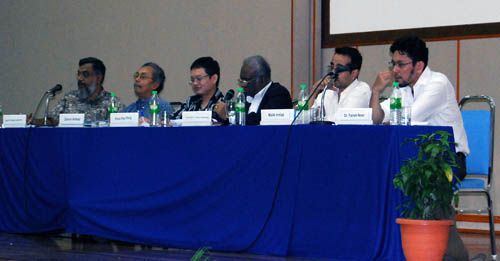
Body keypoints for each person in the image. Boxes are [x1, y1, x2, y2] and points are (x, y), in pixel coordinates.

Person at [369, 36, 469, 261]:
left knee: (424, 183)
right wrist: (375, 92)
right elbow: (375, 118)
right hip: (415, 160)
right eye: (393, 64)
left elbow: (410, 118)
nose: (395, 70)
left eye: (401, 65)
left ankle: (438, 254)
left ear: (419, 66)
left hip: (449, 161)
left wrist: (388, 118)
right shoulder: (402, 90)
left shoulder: (438, 83)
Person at [214, 55, 292, 125]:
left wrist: (231, 116)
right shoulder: (243, 96)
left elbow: (259, 120)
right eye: (241, 80)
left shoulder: (279, 94)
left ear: (262, 79)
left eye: (246, 81)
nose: (242, 85)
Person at [50, 57, 124, 123]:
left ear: (98, 78)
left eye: (85, 74)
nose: (80, 78)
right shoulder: (69, 98)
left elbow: (119, 128)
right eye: (78, 74)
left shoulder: (112, 102)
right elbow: (50, 121)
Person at [309, 46, 371, 122]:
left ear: (354, 73)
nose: (333, 72)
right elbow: (306, 117)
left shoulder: (362, 90)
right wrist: (314, 89)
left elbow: (342, 120)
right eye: (332, 67)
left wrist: (319, 119)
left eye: (339, 69)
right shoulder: (328, 90)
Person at [173, 56, 225, 123]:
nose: (195, 83)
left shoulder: (224, 103)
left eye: (199, 79)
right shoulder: (191, 102)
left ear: (214, 79)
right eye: (192, 80)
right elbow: (173, 121)